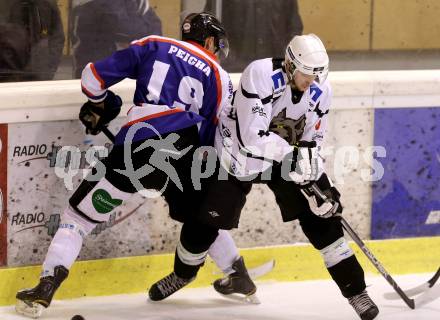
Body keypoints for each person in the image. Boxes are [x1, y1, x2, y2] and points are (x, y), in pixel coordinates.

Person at [15, 12, 256, 318]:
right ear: (209, 41)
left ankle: (45, 286)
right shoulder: (220, 76)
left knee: (80, 216)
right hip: (185, 151)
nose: (217, 50)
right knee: (200, 214)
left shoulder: (153, 44)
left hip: (138, 148)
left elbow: (91, 77)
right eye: (217, 44)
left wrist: (101, 102)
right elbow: (216, 135)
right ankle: (237, 270)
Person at [149, 34, 380, 320]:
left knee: (323, 218)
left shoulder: (321, 90)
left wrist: (322, 184)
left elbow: (313, 141)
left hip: (283, 159)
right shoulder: (260, 74)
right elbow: (252, 138)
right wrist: (297, 159)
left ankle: (357, 292)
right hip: (236, 157)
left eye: (317, 75)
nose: (312, 82)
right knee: (204, 224)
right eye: (307, 74)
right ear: (290, 64)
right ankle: (182, 274)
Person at [70, 0, 162, 78]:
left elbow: (156, 33)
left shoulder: (141, 4)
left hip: (133, 70)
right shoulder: (95, 5)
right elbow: (124, 29)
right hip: (101, 71)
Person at [204, 0, 303, 72]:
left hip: (274, 68)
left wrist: (285, 57)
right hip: (235, 70)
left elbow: (295, 28)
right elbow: (210, 25)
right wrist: (225, 53)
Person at [8, 0, 65, 81]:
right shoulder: (15, 5)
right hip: (17, 70)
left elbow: (58, 37)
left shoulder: (48, 5)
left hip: (42, 69)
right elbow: (8, 38)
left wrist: (50, 68)